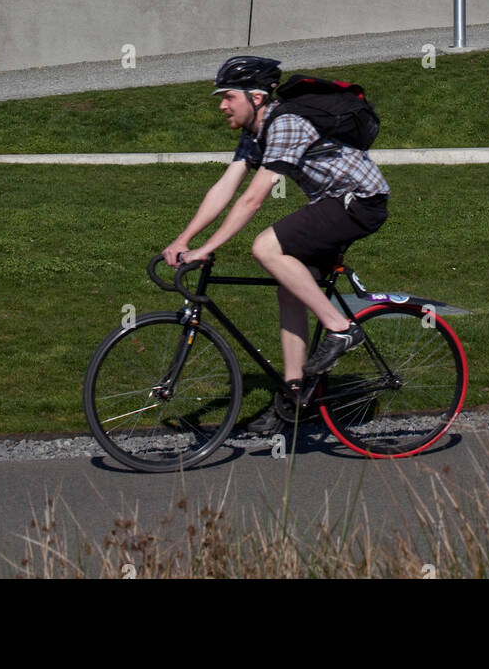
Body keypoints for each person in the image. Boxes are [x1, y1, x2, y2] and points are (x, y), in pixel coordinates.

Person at [162, 56, 390, 434]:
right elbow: (226, 187)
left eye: (227, 96)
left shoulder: (285, 123)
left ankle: (341, 328)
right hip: (332, 202)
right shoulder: (255, 132)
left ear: (255, 97)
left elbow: (252, 199)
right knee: (289, 292)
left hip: (359, 203)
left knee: (266, 247)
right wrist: (184, 239)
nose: (221, 105)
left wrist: (206, 249)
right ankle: (293, 399)